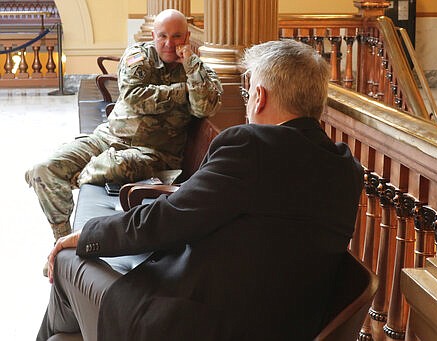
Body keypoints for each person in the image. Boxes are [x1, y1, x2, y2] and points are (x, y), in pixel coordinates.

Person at [36, 39, 364, 341]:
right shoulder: (347, 169)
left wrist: (84, 235)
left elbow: (167, 220)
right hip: (282, 327)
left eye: (249, 94)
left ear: (260, 96)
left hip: (194, 326)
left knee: (65, 259)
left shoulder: (251, 146)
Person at [25, 9, 223, 253]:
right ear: (153, 35)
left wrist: (191, 66)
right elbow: (134, 97)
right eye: (162, 36)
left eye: (177, 37)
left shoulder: (197, 69)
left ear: (188, 37)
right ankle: (62, 242)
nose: (169, 44)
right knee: (43, 170)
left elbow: (203, 107)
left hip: (152, 154)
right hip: (106, 138)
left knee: (119, 166)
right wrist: (183, 91)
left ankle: (76, 181)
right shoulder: (138, 56)